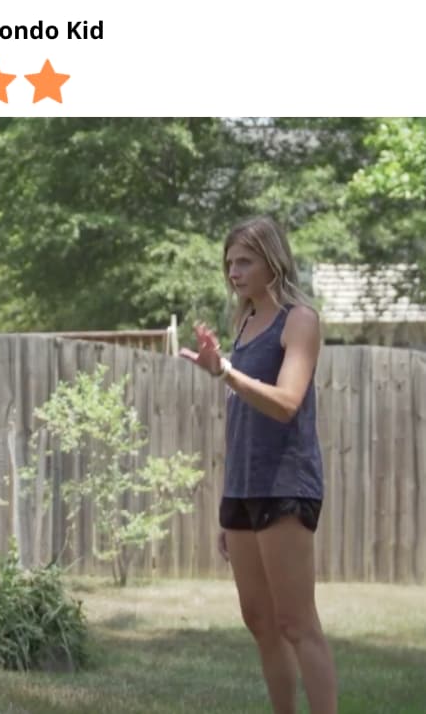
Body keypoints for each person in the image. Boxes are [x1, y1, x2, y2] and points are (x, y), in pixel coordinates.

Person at [179, 215, 337, 714]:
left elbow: (287, 402)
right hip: (244, 490)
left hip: (287, 484)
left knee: (296, 621)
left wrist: (225, 371)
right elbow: (241, 421)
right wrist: (232, 501)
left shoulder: (300, 319)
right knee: (260, 621)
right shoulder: (244, 322)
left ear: (273, 261)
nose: (233, 271)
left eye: (244, 260)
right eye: (228, 262)